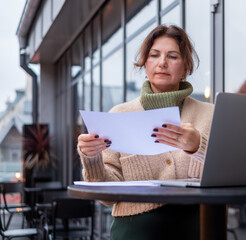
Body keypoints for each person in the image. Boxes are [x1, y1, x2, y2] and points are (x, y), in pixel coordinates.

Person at [77, 25, 214, 240]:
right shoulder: (119, 115)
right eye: (154, 55)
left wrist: (199, 146)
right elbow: (107, 197)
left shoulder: (210, 114)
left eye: (173, 56)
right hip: (134, 229)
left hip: (199, 224)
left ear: (186, 66)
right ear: (145, 63)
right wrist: (92, 158)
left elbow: (231, 171)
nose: (162, 63)